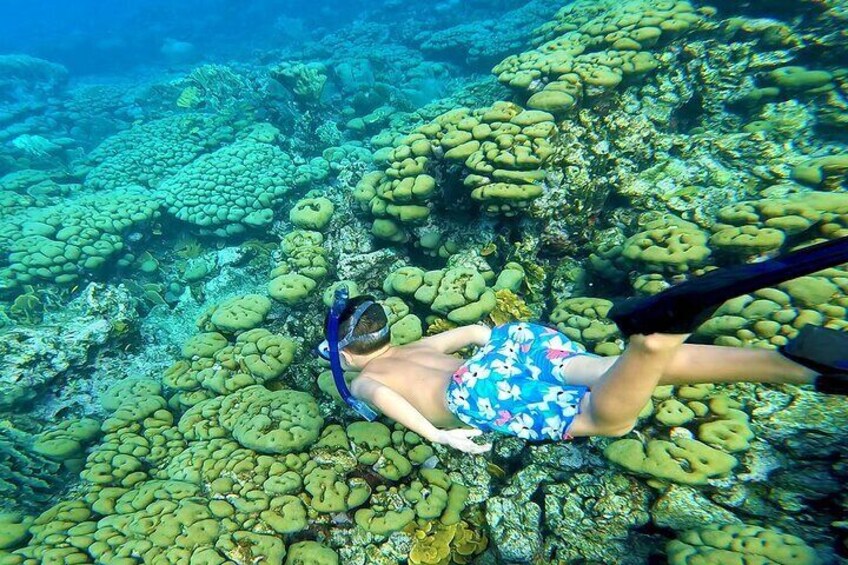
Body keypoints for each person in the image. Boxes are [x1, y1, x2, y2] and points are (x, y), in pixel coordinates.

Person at [319, 237, 848, 454]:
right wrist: (497, 354)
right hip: (512, 345)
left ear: (345, 354)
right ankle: (796, 367)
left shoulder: (367, 378)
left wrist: (443, 437)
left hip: (473, 395)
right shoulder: (420, 345)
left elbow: (392, 404)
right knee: (603, 369)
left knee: (607, 419)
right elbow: (480, 333)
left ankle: (656, 337)